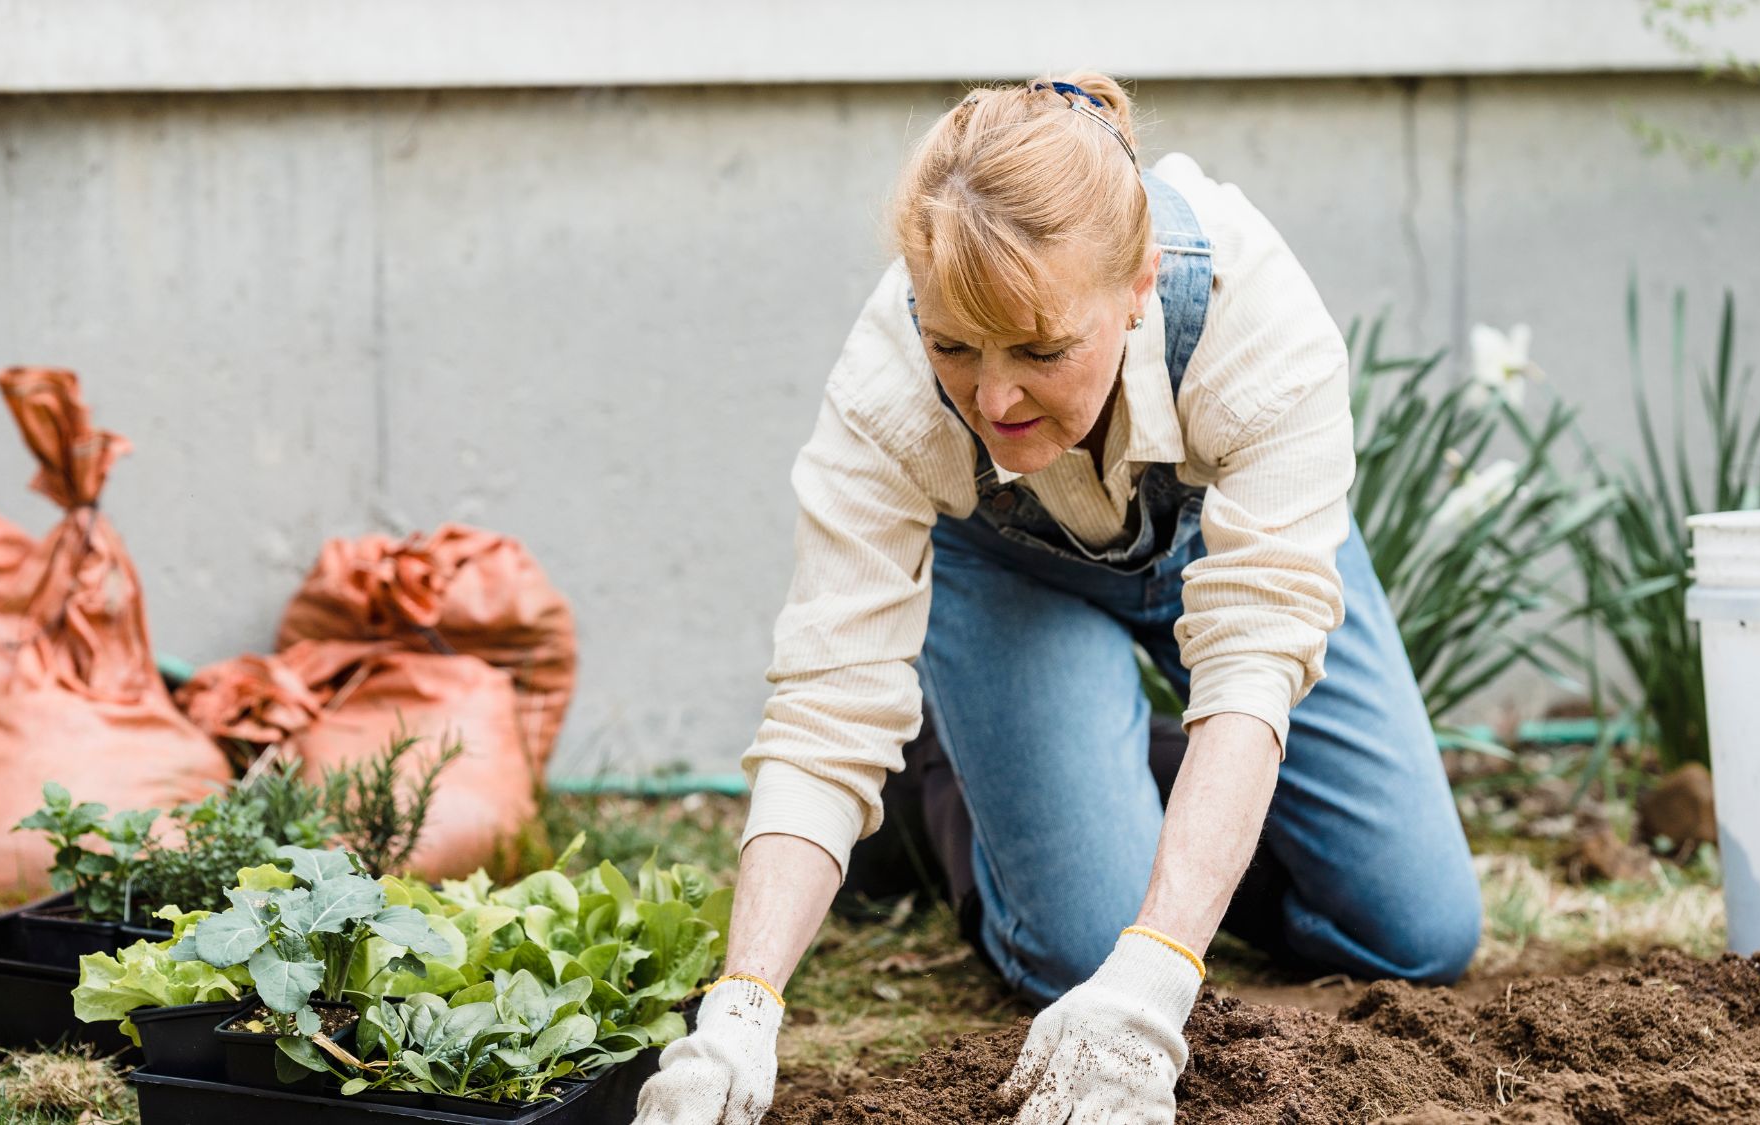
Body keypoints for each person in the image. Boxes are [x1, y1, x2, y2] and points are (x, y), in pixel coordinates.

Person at [633, 72, 1481, 1125]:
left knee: (1417, 934)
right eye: (953, 345)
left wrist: (1162, 967)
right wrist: (740, 1006)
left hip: (1225, 549)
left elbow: (1253, 655)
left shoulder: (1251, 322)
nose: (990, 398)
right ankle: (947, 798)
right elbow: (825, 709)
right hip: (1007, 575)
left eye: (1039, 350)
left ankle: (1097, 778)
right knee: (1083, 953)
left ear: (1137, 286)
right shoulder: (884, 390)